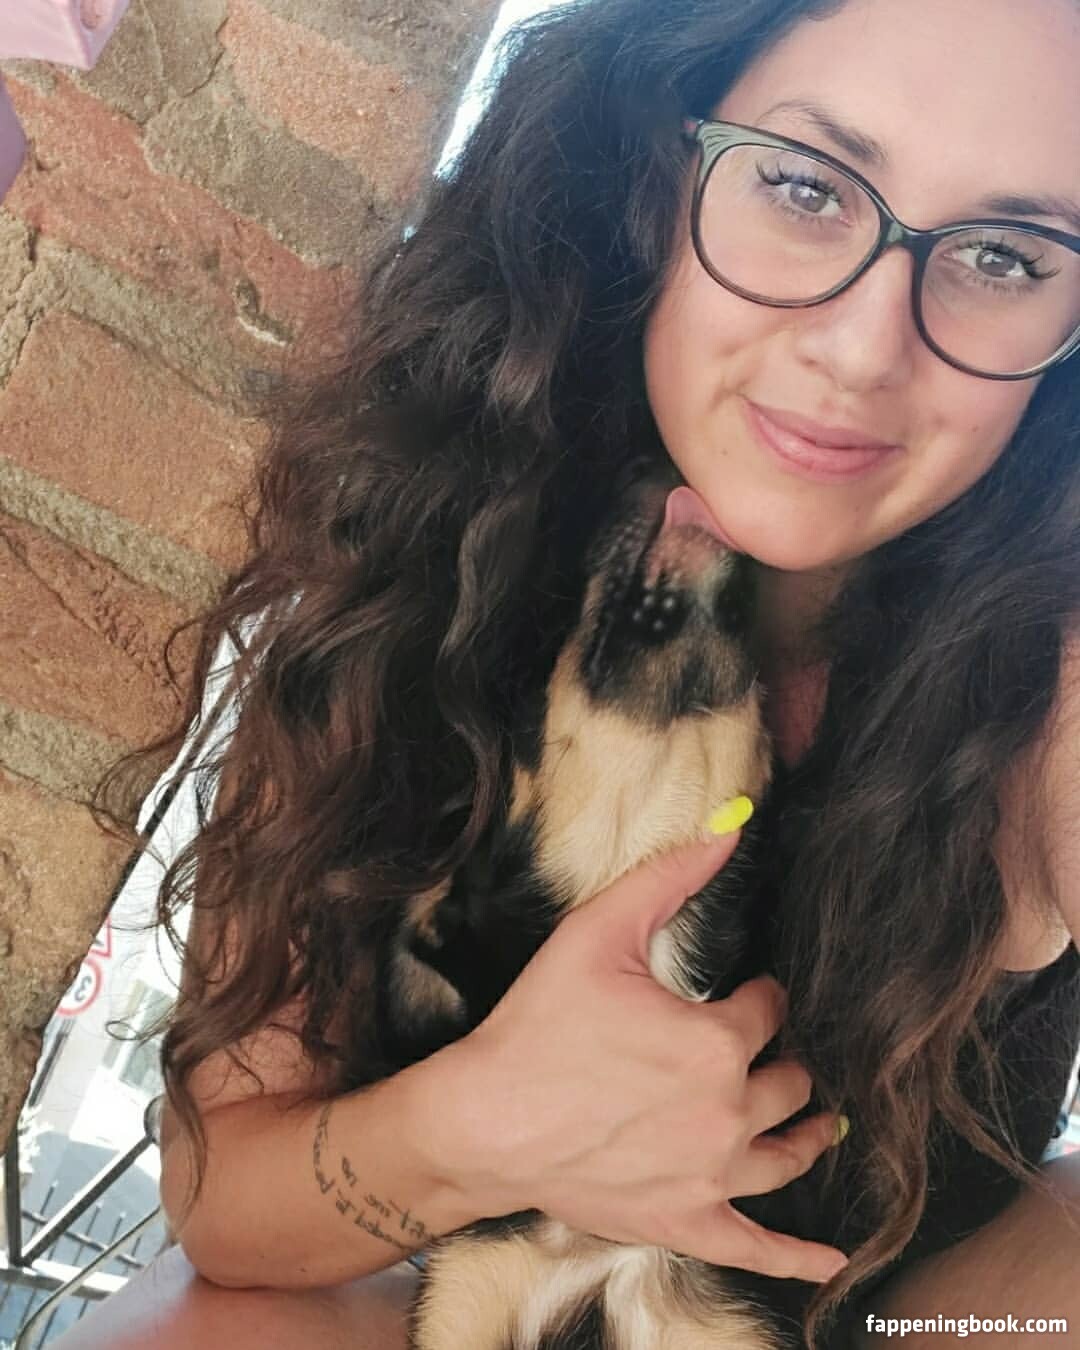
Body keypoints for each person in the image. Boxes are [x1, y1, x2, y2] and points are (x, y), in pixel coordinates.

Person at [65, 0, 1080, 1346]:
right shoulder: (428, 561)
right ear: (662, 175)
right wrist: (488, 1124)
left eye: (1006, 256)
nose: (861, 350)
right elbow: (223, 1200)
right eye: (803, 186)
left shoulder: (1049, 668)